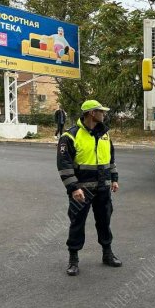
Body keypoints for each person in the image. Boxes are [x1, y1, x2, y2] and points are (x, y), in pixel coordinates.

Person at [57, 100, 121, 276]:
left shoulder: (105, 134)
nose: (104, 114)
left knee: (104, 222)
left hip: (103, 189)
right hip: (81, 191)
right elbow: (64, 165)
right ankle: (73, 259)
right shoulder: (70, 136)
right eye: (101, 111)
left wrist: (114, 178)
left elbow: (110, 158)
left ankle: (107, 254)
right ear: (92, 113)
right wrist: (73, 188)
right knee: (77, 223)